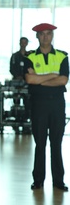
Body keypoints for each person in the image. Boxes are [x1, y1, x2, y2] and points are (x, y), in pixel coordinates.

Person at [24, 23, 69, 191]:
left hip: (57, 104)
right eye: (42, 34)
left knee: (56, 143)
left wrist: (39, 79)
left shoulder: (62, 56)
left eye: (48, 34)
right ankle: (38, 180)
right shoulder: (30, 57)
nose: (45, 37)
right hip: (38, 104)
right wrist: (53, 76)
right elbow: (29, 80)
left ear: (52, 36)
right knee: (40, 143)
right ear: (37, 36)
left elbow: (64, 80)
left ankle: (58, 181)